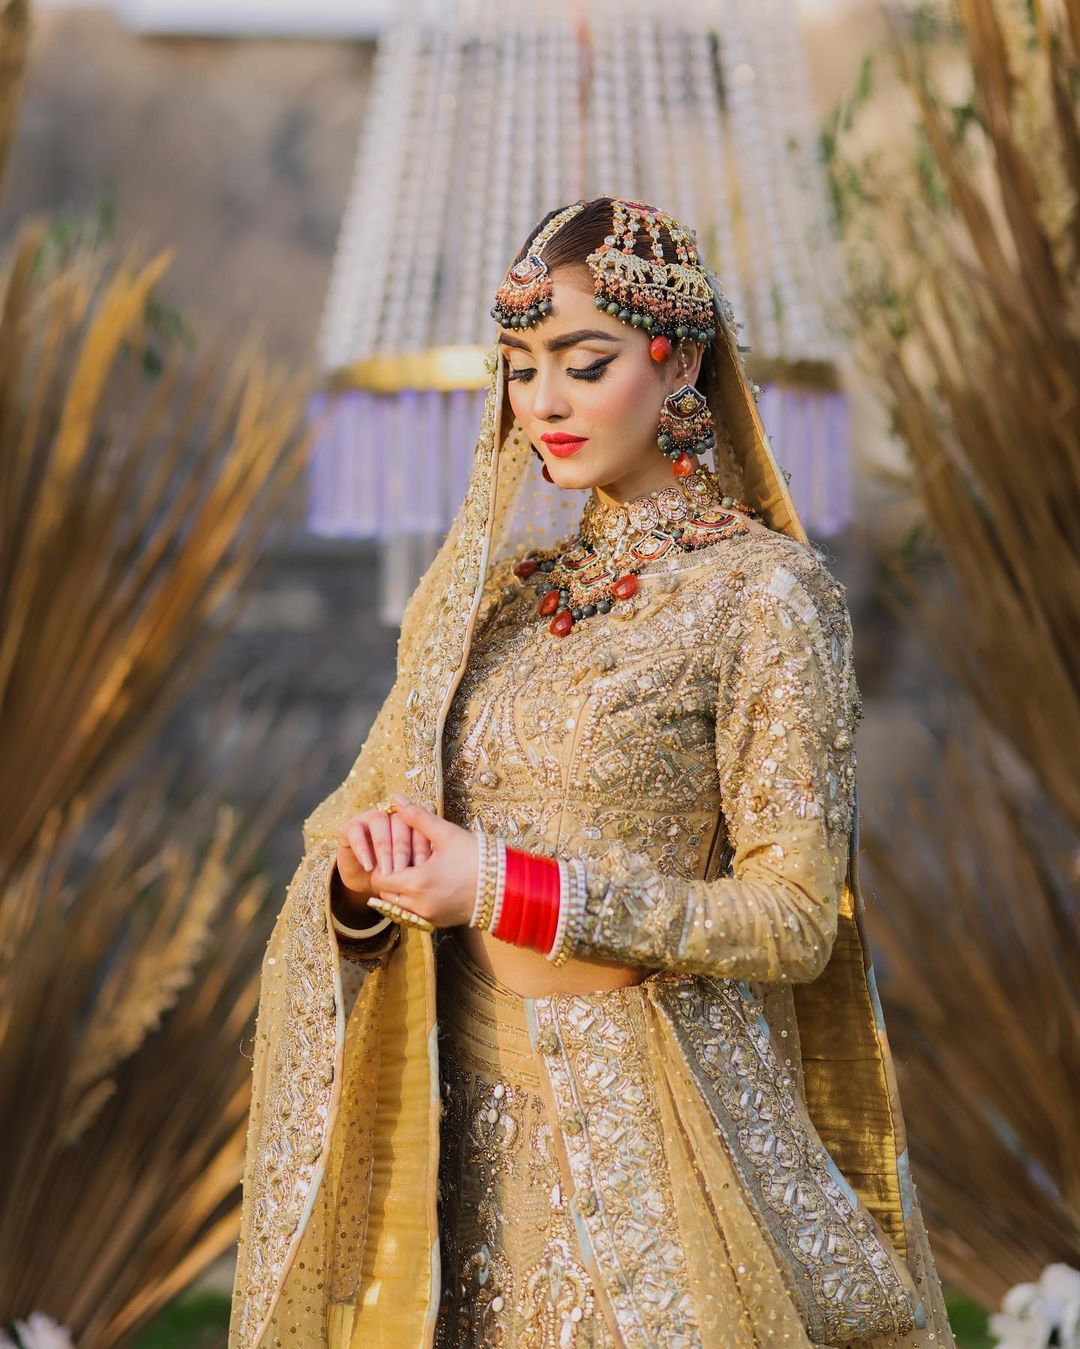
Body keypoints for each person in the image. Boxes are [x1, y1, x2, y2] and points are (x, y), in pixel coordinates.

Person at [228, 197, 957, 1348]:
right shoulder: (499, 600)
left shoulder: (763, 596)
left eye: (585, 362)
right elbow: (352, 827)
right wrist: (363, 879)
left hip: (656, 1152)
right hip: (461, 1146)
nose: (545, 403)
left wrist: (502, 886)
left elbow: (792, 919)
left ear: (682, 363)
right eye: (522, 369)